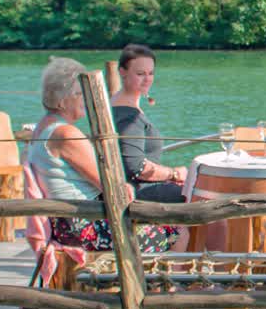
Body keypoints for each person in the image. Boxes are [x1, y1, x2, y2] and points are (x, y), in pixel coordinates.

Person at [25, 57, 177, 253]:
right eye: (80, 94)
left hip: (64, 224)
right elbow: (110, 184)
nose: (85, 100)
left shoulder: (42, 127)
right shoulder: (66, 134)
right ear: (63, 100)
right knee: (177, 230)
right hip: (84, 226)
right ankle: (166, 284)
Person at [110, 44, 187, 203]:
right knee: (208, 197)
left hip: (144, 186)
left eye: (150, 73)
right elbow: (136, 167)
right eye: (140, 74)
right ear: (122, 72)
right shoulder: (127, 116)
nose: (147, 79)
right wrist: (174, 174)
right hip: (137, 192)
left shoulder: (119, 104)